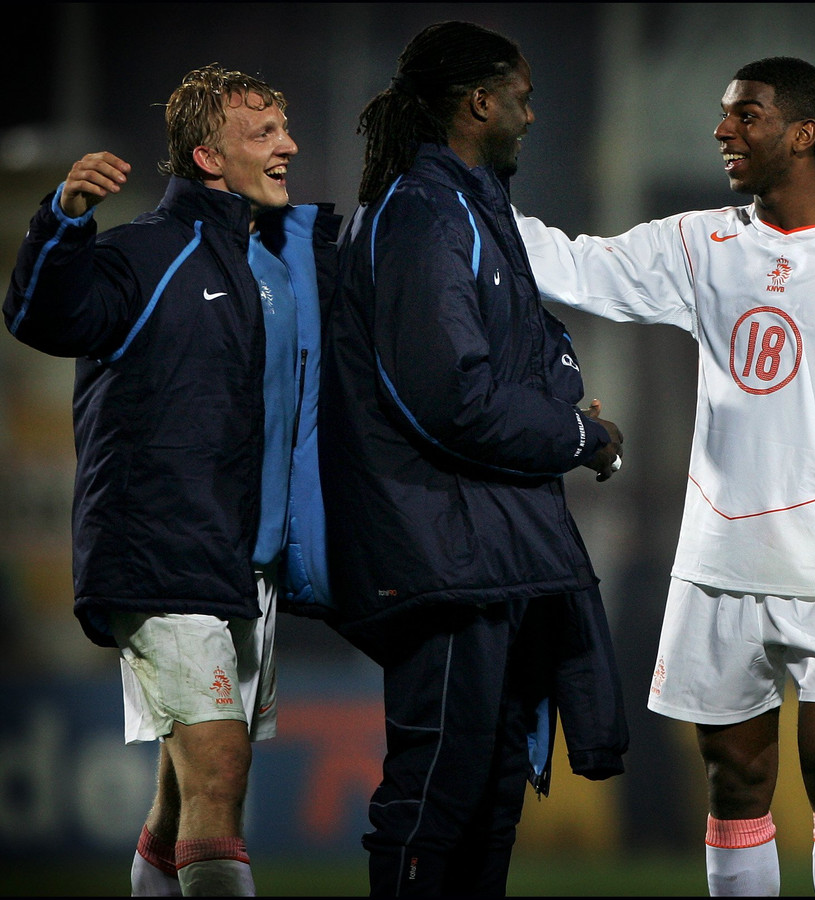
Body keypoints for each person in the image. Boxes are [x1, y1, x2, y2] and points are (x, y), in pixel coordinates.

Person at [513, 56, 815, 896]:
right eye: (724, 114)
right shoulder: (701, 243)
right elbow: (573, 264)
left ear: (803, 133)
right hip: (719, 561)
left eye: (745, 115)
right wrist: (466, 198)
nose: (722, 130)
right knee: (734, 775)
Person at [3, 64, 341, 896]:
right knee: (218, 773)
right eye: (263, 133)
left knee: (188, 788)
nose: (289, 146)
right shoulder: (145, 253)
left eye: (284, 128)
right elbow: (44, 316)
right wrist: (62, 221)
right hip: (163, 551)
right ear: (207, 157)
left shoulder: (279, 265)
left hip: (247, 562)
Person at [318, 20, 629, 897]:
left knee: (490, 794)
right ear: (479, 103)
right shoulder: (421, 213)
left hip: (491, 546)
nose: (531, 116)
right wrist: (578, 436)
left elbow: (529, 361)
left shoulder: (469, 212)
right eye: (521, 99)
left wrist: (559, 404)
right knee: (437, 791)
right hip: (444, 550)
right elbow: (450, 395)